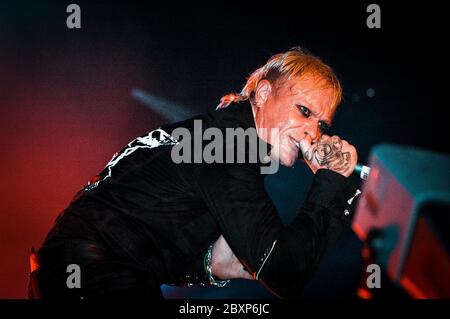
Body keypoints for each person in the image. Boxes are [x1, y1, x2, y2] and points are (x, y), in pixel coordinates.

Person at [29, 47, 359, 299]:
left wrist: (208, 267)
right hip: (93, 273)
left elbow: (157, 232)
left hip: (74, 272)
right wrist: (331, 182)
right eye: (303, 111)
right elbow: (285, 274)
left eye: (321, 124)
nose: (312, 133)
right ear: (263, 93)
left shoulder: (222, 140)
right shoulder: (229, 146)